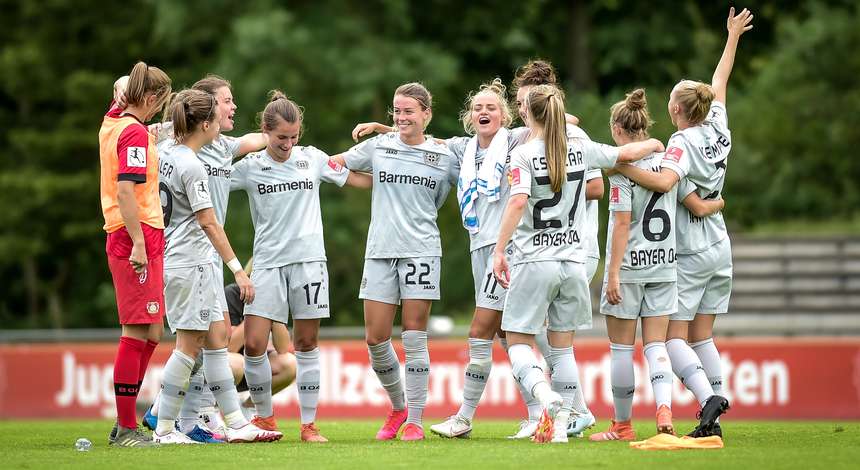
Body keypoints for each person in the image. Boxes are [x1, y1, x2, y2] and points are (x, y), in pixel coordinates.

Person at [493, 84, 664, 443]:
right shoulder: (581, 149)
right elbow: (623, 154)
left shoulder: (523, 154)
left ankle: (545, 397)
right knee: (562, 347)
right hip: (573, 261)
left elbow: (518, 202)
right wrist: (653, 144)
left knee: (518, 340)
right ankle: (559, 428)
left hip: (535, 260)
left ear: (528, 114)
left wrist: (498, 250)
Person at [614, 7, 753, 438]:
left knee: (673, 338)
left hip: (691, 248)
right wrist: (731, 39)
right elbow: (721, 79)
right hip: (720, 244)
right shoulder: (718, 122)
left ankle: (706, 403)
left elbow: (664, 182)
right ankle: (714, 411)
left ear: (675, 108)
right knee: (703, 336)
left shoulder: (682, 139)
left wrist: (619, 165)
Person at [231, 91, 372, 442]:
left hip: (309, 264)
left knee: (306, 342)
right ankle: (264, 419)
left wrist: (397, 177)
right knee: (252, 344)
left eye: (294, 137)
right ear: (265, 131)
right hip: (265, 265)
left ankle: (309, 425)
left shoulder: (312, 159)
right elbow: (210, 185)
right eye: (281, 138)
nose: (288, 144)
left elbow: (355, 178)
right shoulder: (249, 168)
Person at [134, 74, 268, 440]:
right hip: (190, 258)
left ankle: (234, 423)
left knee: (215, 340)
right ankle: (163, 424)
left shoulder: (172, 152)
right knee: (188, 346)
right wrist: (239, 271)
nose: (232, 107)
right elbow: (208, 222)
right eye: (225, 101)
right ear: (204, 120)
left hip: (194, 260)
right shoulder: (189, 162)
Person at [588, 89, 724, 442]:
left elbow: (621, 223)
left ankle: (621, 425)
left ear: (617, 129)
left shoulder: (621, 172)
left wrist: (613, 272)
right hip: (665, 266)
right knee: (656, 346)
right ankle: (665, 410)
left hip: (631, 267)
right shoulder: (668, 162)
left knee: (621, 348)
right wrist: (718, 203)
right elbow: (694, 202)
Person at [330, 83, 459, 441]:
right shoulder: (378, 146)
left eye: (409, 112)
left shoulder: (445, 156)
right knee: (375, 338)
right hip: (380, 250)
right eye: (396, 112)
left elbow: (476, 179)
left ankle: (415, 419)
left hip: (421, 249)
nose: (401, 118)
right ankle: (399, 406)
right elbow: (339, 164)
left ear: (426, 115)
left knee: (415, 336)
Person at [511, 59, 603, 439]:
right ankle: (564, 418)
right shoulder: (538, 136)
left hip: (571, 247)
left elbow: (597, 187)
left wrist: (550, 188)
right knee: (556, 341)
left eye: (522, 104)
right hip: (561, 250)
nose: (519, 111)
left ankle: (567, 409)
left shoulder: (570, 138)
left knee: (535, 337)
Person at [99, 61, 171, 447]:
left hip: (146, 232)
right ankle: (126, 427)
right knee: (135, 330)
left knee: (154, 330)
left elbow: (121, 96)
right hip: (134, 234)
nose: (160, 108)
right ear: (148, 98)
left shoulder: (114, 122)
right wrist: (139, 244)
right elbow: (126, 190)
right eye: (159, 101)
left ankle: (125, 420)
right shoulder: (133, 134)